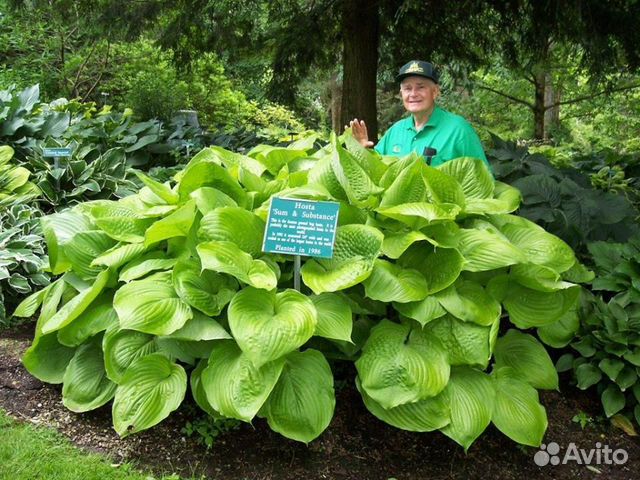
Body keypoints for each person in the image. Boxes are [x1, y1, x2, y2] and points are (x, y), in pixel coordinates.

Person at [348, 60, 490, 169]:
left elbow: (483, 180)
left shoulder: (459, 130)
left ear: (435, 92)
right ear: (401, 94)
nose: (413, 94)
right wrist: (362, 152)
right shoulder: (395, 131)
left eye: (421, 87)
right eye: (408, 88)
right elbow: (376, 173)